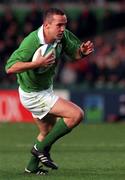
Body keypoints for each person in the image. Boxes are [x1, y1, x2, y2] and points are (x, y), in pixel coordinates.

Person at [5, 8, 94, 175]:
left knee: (47, 131)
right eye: (59, 25)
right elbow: (10, 67)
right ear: (46, 25)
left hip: (44, 90)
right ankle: (39, 149)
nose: (62, 29)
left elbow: (74, 54)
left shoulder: (62, 36)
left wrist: (82, 51)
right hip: (33, 94)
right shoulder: (32, 42)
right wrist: (36, 64)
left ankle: (31, 168)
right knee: (76, 114)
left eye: (64, 25)